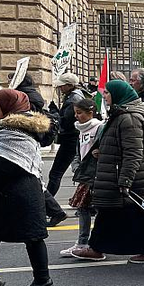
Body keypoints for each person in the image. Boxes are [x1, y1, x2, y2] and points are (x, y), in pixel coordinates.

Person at [71, 81, 144, 263]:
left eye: (107, 93)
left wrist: (125, 181)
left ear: (118, 94)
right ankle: (97, 248)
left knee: (134, 214)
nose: (104, 96)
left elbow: (133, 153)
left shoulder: (129, 117)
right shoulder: (122, 113)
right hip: (121, 174)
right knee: (110, 213)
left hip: (134, 178)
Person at [0, 89, 55, 286]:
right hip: (14, 194)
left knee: (33, 238)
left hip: (21, 195)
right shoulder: (8, 129)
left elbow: (3, 166)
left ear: (9, 107)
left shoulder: (15, 132)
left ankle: (43, 282)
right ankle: (43, 281)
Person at [11, 74, 67, 226]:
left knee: (32, 180)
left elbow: (30, 118)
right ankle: (53, 211)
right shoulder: (30, 93)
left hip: (27, 141)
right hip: (29, 141)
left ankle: (55, 211)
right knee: (32, 180)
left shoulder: (26, 96)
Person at [59, 98, 103, 257]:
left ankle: (87, 242)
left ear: (90, 113)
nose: (76, 116)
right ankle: (85, 242)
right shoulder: (81, 130)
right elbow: (78, 152)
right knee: (84, 208)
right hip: (85, 174)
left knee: (89, 209)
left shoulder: (99, 128)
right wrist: (77, 167)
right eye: (75, 113)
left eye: (79, 113)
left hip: (95, 175)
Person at [47, 72, 85, 196]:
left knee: (55, 174)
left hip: (70, 139)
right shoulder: (75, 96)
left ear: (69, 85)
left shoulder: (73, 99)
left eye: (62, 86)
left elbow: (66, 121)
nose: (60, 88)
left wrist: (53, 113)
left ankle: (49, 206)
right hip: (73, 138)